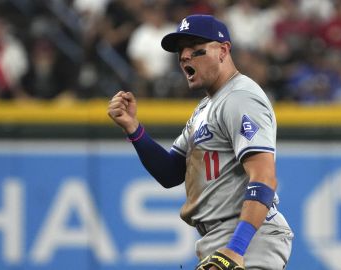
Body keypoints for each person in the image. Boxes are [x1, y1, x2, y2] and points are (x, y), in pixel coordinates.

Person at [108, 14, 293, 270]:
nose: (184, 56)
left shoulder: (240, 97)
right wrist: (134, 129)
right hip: (220, 238)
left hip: (248, 239)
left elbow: (264, 177)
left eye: (196, 49)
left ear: (223, 50)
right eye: (181, 51)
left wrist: (236, 249)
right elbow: (171, 172)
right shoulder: (207, 106)